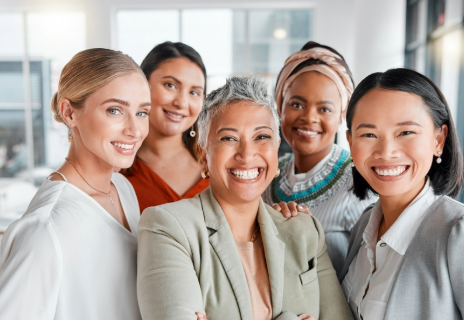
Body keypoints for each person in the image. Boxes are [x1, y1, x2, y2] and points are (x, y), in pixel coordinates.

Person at [137, 75, 353, 320]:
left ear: (276, 150)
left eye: (261, 137)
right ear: (204, 156)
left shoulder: (304, 231)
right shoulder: (168, 227)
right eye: (228, 138)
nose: (247, 153)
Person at [340, 68, 464, 319]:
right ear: (351, 142)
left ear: (439, 139)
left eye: (406, 132)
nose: (386, 151)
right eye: (368, 134)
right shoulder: (365, 225)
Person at [0, 49, 151, 319]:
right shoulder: (45, 229)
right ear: (69, 113)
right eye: (115, 110)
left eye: (142, 112)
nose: (135, 130)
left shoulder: (121, 188)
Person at [262, 41, 376, 275]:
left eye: (324, 109)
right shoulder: (268, 174)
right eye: (297, 104)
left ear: (342, 115)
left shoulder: (360, 183)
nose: (309, 118)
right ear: (279, 106)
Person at [123, 42, 208, 213]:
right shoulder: (116, 170)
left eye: (194, 92)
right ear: (143, 85)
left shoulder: (216, 163)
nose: (182, 102)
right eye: (170, 85)